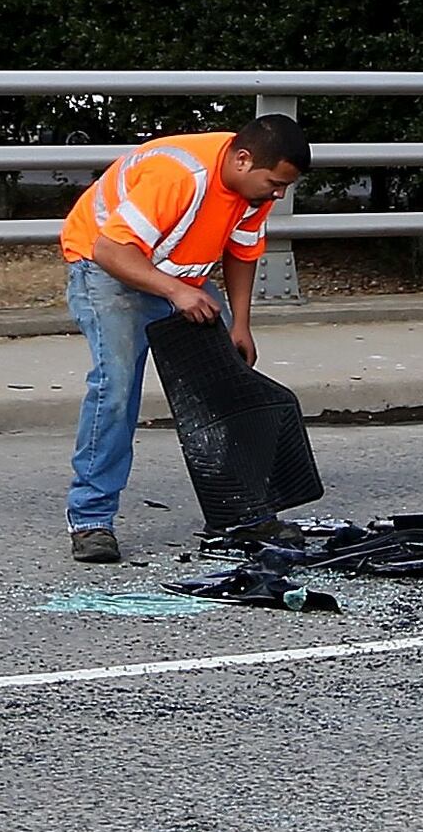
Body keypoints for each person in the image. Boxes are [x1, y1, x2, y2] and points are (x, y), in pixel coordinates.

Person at [54, 114, 314, 560]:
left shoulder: (256, 186)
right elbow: (110, 250)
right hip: (107, 269)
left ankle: (245, 513)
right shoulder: (181, 175)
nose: (278, 194)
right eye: (274, 183)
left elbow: (242, 249)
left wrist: (240, 325)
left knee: (228, 385)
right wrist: (176, 292)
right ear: (243, 159)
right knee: (115, 389)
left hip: (179, 274)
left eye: (284, 187)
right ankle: (91, 520)